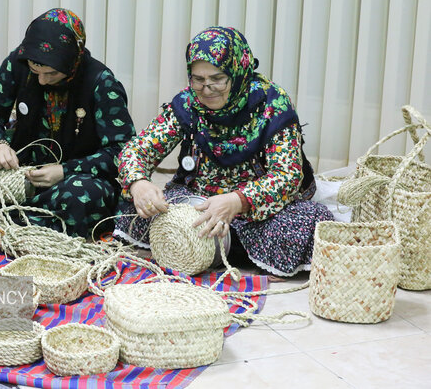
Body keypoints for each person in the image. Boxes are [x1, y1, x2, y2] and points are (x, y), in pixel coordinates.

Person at [114, 26, 333, 277]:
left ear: (237, 71)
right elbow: (135, 151)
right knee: (134, 210)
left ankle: (218, 244)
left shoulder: (273, 105)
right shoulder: (188, 103)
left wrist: (236, 201)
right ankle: (220, 244)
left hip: (255, 209)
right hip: (199, 201)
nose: (207, 89)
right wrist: (138, 183)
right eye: (198, 79)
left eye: (217, 79)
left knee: (300, 227)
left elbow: (287, 176)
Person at [0, 8, 136, 238]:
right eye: (35, 71)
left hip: (73, 182)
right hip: (18, 174)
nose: (41, 80)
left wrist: (64, 171)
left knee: (81, 202)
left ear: (72, 61)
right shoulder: (20, 61)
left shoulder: (101, 83)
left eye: (51, 74)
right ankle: (23, 223)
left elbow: (122, 151)